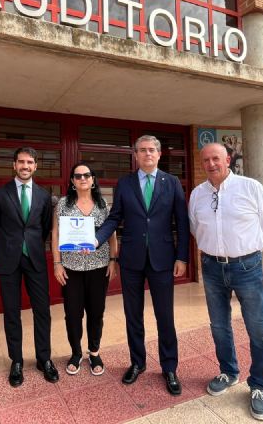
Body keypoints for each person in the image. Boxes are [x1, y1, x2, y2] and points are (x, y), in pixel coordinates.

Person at [189, 143, 263, 421]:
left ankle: (260, 385)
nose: (211, 163)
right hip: (212, 267)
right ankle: (228, 371)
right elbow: (195, 227)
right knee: (219, 325)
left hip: (247, 266)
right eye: (206, 160)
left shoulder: (251, 188)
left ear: (228, 159)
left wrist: (246, 251)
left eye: (216, 158)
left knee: (258, 328)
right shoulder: (197, 194)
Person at [95, 135, 190, 395]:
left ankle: (169, 367)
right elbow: (115, 218)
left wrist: (182, 257)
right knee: (132, 315)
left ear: (159, 154)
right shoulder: (124, 183)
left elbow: (182, 222)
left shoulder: (171, 183)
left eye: (152, 150)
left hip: (163, 260)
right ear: (135, 155)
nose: (147, 154)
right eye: (142, 150)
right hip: (132, 260)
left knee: (165, 316)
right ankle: (137, 362)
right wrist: (96, 238)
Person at [0, 147, 58, 387]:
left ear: (35, 166)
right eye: (21, 162)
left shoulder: (43, 195)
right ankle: (16, 361)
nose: (25, 166)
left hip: (35, 259)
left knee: (42, 311)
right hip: (8, 259)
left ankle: (44, 359)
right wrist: (9, 245)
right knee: (12, 312)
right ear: (14, 165)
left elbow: (46, 227)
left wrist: (30, 245)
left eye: (30, 162)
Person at [51, 163, 118, 376]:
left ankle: (95, 352)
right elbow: (55, 235)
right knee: (72, 313)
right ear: (72, 181)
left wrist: (113, 259)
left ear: (93, 179)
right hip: (71, 268)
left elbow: (112, 234)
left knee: (96, 312)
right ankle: (76, 352)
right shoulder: (63, 204)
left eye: (86, 175)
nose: (82, 179)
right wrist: (57, 263)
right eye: (77, 176)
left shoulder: (102, 204)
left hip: (99, 267)